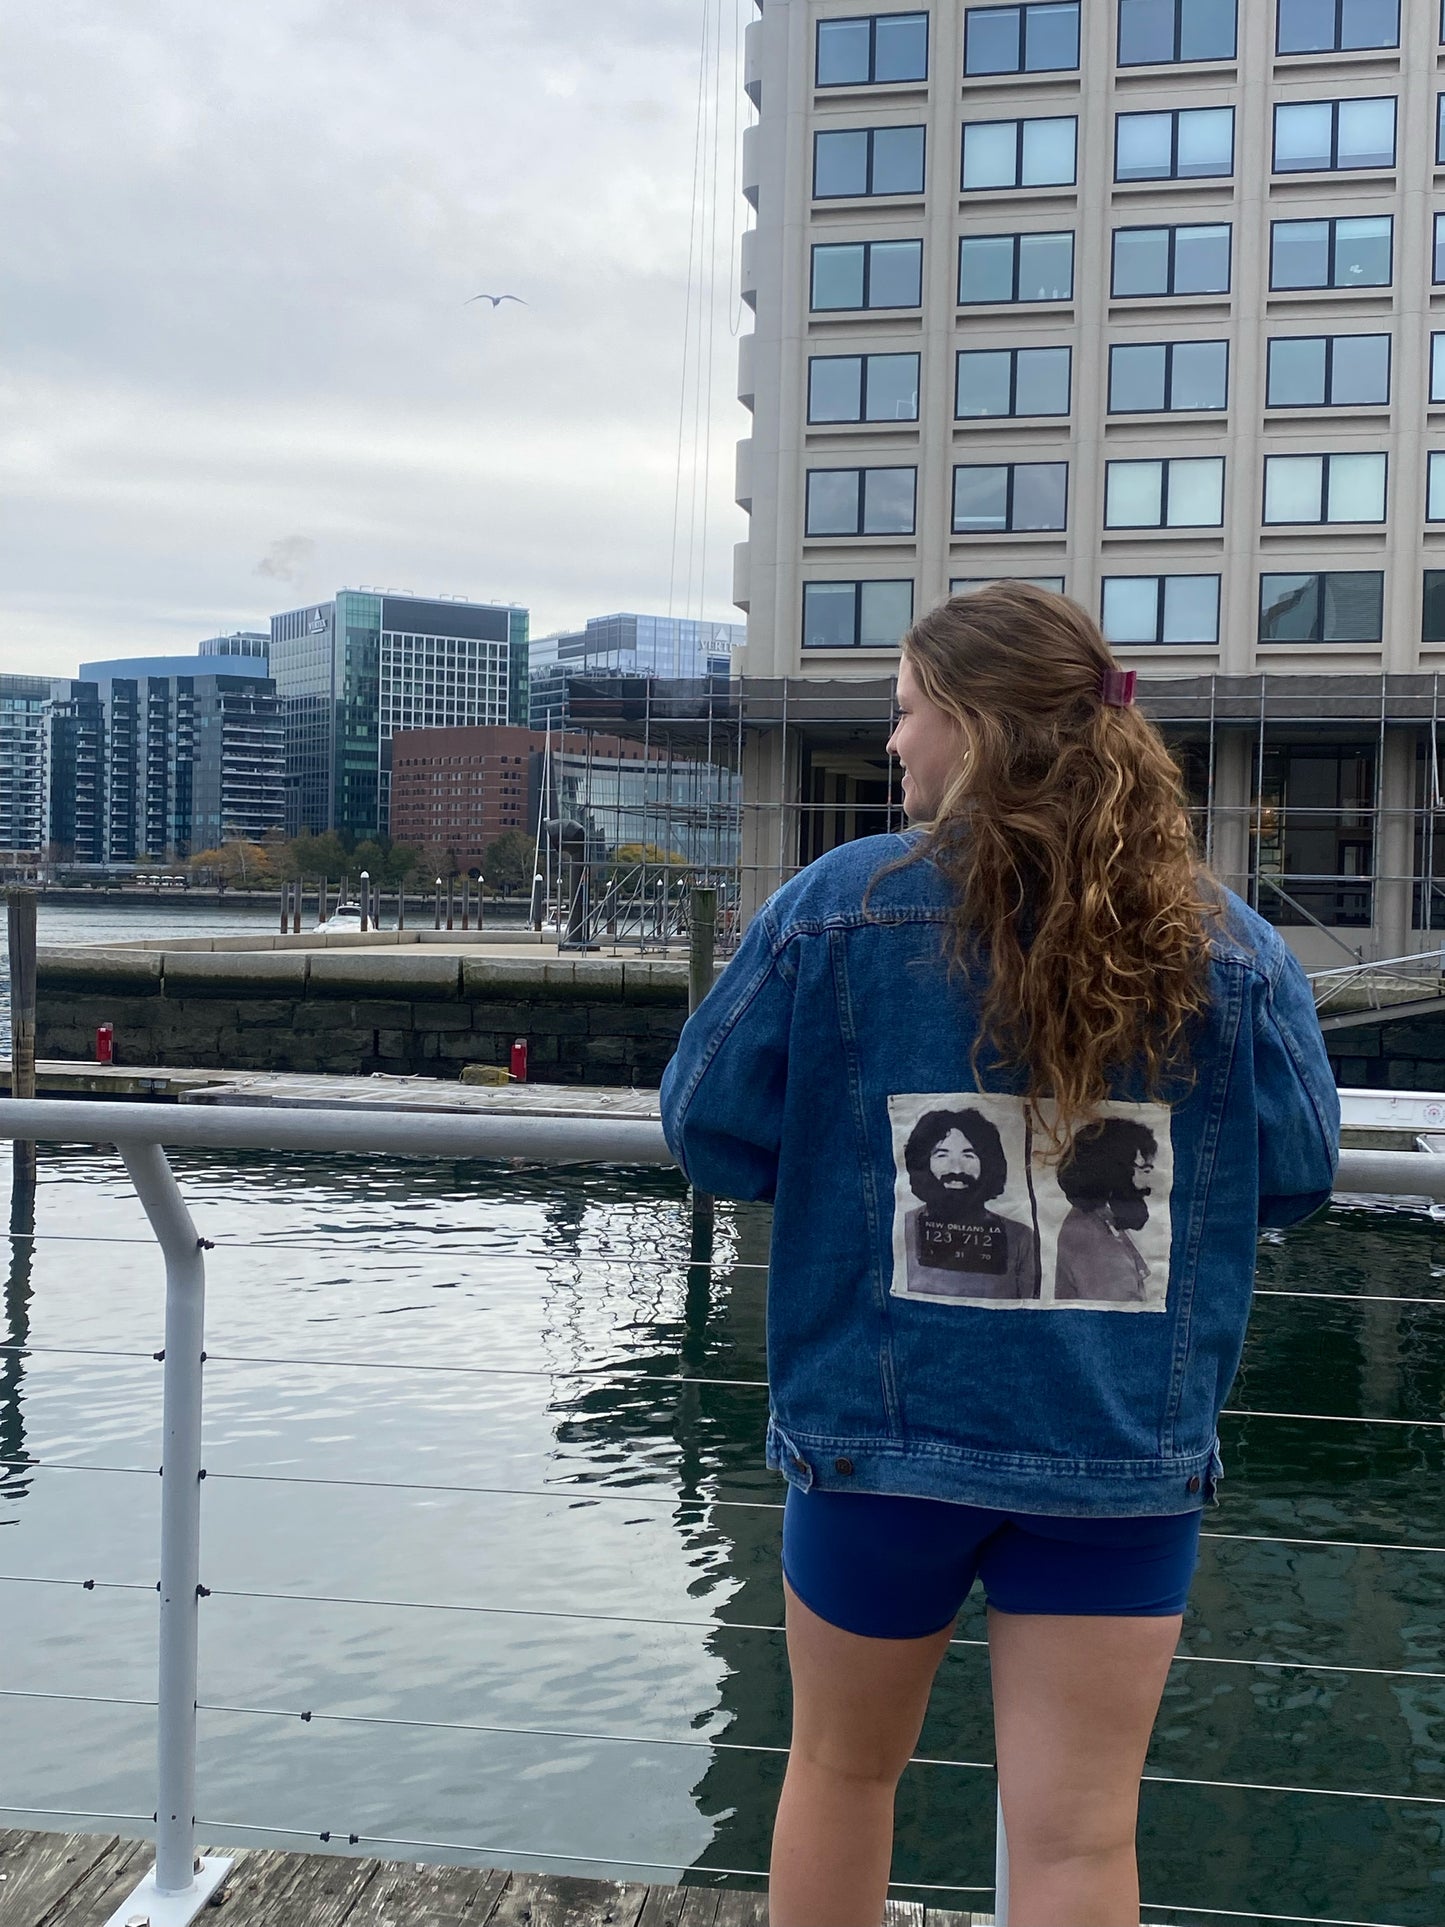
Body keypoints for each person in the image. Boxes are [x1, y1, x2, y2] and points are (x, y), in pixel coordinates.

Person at [660, 583, 1338, 1927]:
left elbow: (711, 1133)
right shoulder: (1229, 948)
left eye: (905, 715)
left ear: (971, 727)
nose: (895, 747)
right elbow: (1296, 1174)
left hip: (874, 1442)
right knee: (1079, 1841)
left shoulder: (831, 909)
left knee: (842, 1776)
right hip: (1114, 1454)